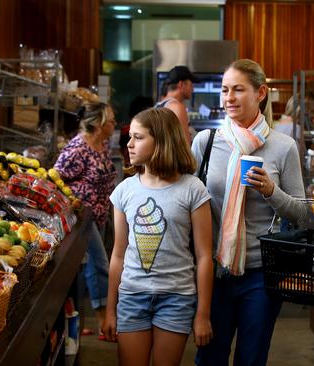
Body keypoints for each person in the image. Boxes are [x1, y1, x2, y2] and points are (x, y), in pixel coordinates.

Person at [191, 59, 314, 366]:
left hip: (261, 274)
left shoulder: (282, 147)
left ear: (261, 93)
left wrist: (271, 191)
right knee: (210, 357)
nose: (229, 98)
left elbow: (302, 215)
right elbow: (187, 199)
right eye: (225, 90)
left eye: (238, 90)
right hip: (213, 273)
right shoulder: (206, 142)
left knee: (251, 358)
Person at [103, 107, 214, 365]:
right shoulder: (124, 191)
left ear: (162, 141)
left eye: (138, 137)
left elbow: (205, 256)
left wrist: (203, 315)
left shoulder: (193, 190)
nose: (129, 144)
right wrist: (110, 311)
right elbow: (118, 254)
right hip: (131, 296)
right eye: (130, 137)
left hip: (177, 298)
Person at [54, 102, 117, 339]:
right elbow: (55, 178)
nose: (114, 123)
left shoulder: (102, 144)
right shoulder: (78, 148)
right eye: (110, 120)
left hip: (98, 214)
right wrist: (74, 202)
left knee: (85, 269)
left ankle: (78, 324)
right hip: (82, 218)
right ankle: (104, 323)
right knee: (99, 265)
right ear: (99, 124)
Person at [155, 65, 199, 144]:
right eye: (191, 85)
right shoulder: (177, 108)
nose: (192, 89)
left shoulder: (159, 105)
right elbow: (185, 145)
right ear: (181, 85)